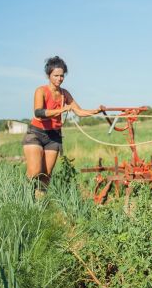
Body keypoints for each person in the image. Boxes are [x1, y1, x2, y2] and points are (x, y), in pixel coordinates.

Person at [22, 56, 102, 193]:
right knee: (35, 171)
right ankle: (22, 195)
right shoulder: (40, 91)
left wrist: (96, 111)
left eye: (62, 76)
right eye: (56, 76)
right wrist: (62, 109)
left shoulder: (65, 93)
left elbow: (79, 111)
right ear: (49, 75)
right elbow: (39, 112)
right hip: (36, 134)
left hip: (54, 136)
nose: (59, 79)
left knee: (46, 175)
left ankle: (40, 205)